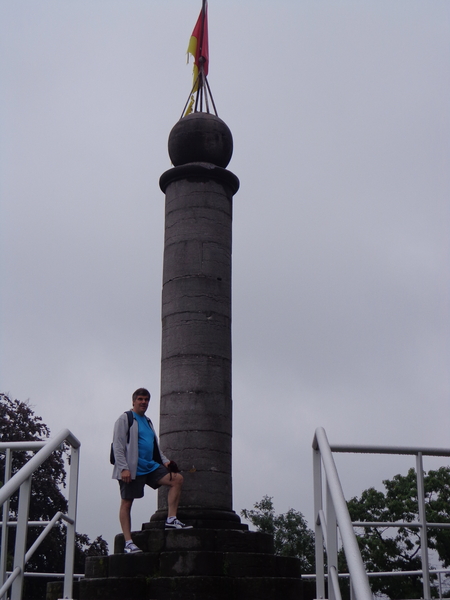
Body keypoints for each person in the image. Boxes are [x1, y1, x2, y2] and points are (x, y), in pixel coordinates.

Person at [112, 387, 192, 554]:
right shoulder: (125, 418)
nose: (143, 402)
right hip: (131, 469)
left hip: (149, 466)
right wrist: (123, 468)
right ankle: (128, 542)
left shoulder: (148, 422)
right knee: (127, 503)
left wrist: (166, 462)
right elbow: (118, 446)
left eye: (146, 400)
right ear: (133, 401)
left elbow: (155, 448)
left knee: (177, 479)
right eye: (140, 399)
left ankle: (171, 519)